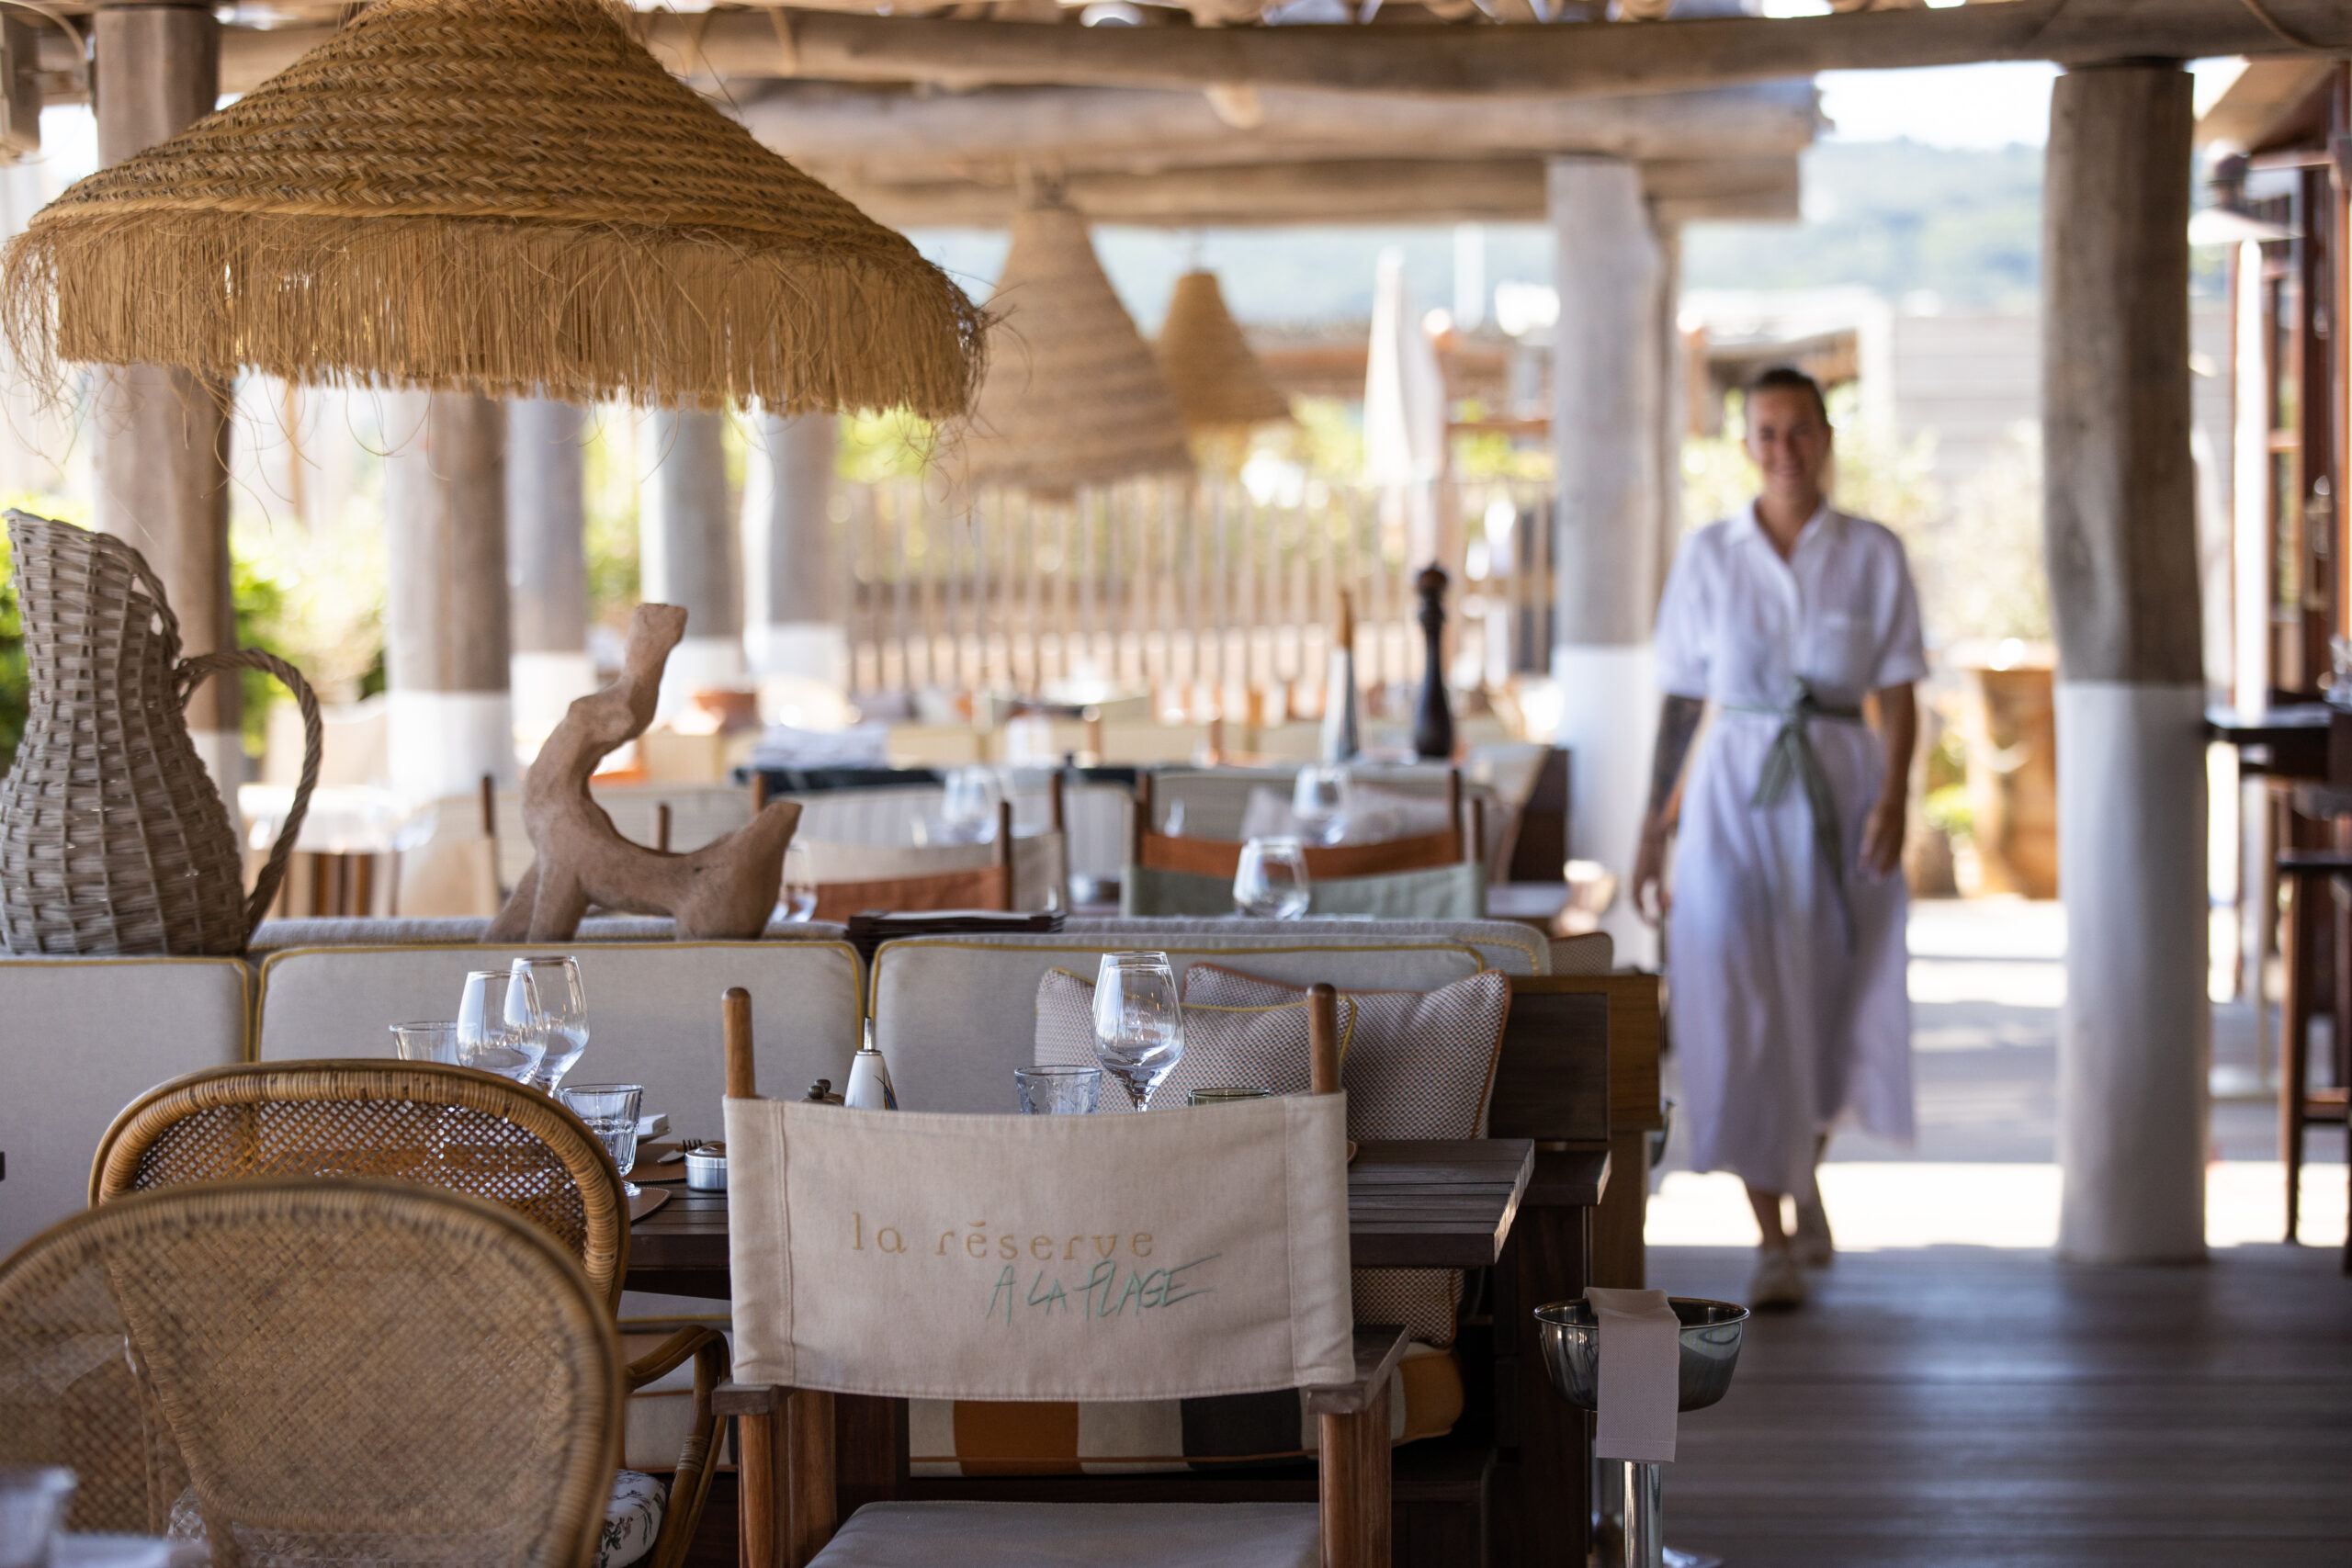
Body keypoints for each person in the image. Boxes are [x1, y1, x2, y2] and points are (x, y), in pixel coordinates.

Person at [1631, 366, 1925, 1309]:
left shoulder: (1872, 552)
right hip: (1731, 804)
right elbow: (1683, 702)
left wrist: (1894, 800)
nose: (1783, 449)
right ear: (1745, 444)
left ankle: (1805, 1174)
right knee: (1738, 1000)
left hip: (1843, 794)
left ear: (1826, 436)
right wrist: (1652, 832)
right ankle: (1771, 1236)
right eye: (1766, 432)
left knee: (1836, 1001)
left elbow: (1899, 691)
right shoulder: (1710, 556)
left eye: (1799, 430)